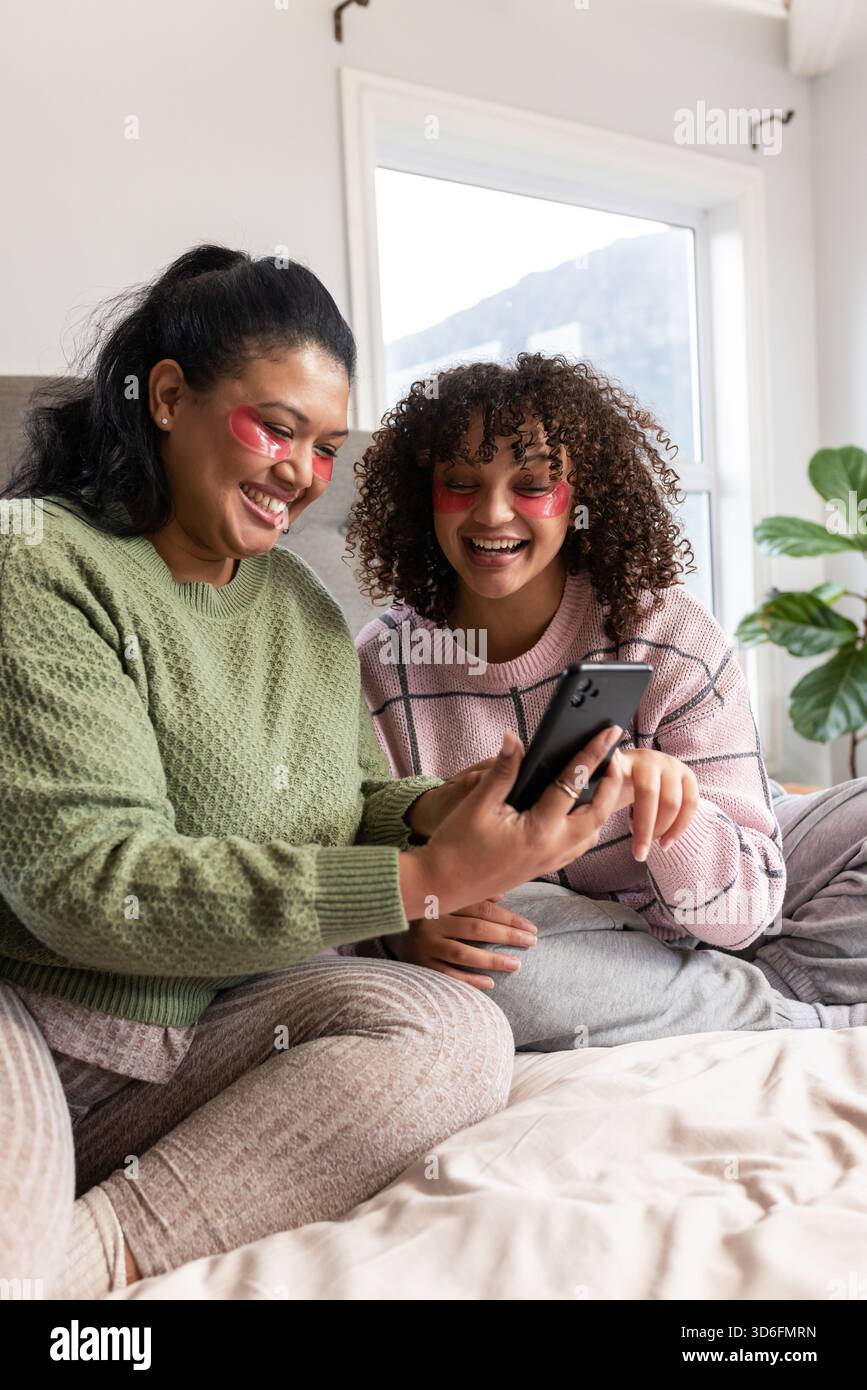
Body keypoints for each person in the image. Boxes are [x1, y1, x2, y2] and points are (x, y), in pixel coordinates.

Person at [0, 252, 630, 1300]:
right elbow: (91, 883)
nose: (301, 471)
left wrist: (438, 809)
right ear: (166, 397)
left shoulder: (297, 600)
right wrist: (421, 879)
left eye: (327, 447)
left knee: (454, 1031)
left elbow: (343, 802)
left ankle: (108, 1246)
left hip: (198, 1030)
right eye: (277, 428)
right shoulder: (39, 565)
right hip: (37, 1014)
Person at [344, 354, 867, 1046]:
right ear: (424, 494)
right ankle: (790, 1014)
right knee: (499, 973)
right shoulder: (382, 665)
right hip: (563, 927)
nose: (492, 513)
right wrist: (406, 929)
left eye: (531, 485)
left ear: (581, 494)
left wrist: (678, 817)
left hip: (731, 876)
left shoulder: (662, 627)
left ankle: (755, 991)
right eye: (461, 483)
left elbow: (745, 907)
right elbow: (345, 878)